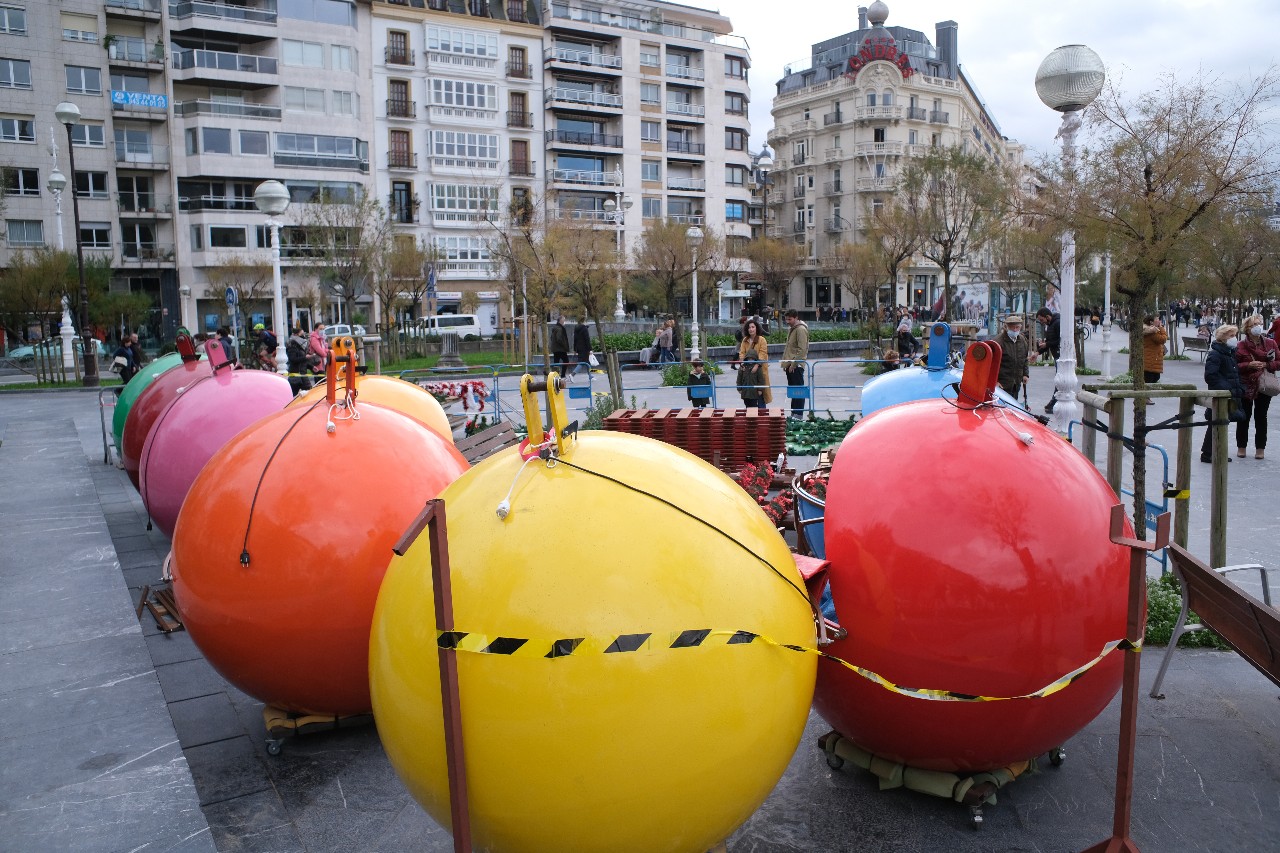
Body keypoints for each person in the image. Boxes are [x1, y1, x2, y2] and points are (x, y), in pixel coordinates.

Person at [1234, 314, 1278, 460]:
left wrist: (1267, 364)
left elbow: (1279, 361)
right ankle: (1241, 447)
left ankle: (1260, 448)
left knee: (1261, 416)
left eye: (1259, 323)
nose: (1258, 326)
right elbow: (1234, 366)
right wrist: (1249, 365)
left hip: (1264, 385)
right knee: (1244, 416)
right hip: (1246, 383)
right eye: (1254, 324)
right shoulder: (1240, 345)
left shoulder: (1270, 343)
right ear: (1247, 328)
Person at [1200, 325, 1245, 463]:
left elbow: (1234, 374)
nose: (1234, 338)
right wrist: (1227, 389)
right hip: (1221, 395)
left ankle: (1212, 452)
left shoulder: (1229, 353)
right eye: (1231, 336)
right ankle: (1208, 453)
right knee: (1216, 422)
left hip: (1227, 395)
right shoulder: (1216, 354)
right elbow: (1211, 376)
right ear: (1223, 337)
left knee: (1219, 423)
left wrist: (1240, 388)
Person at [780, 309, 810, 419]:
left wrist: (793, 364)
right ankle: (794, 413)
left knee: (798, 390)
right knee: (793, 390)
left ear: (796, 318)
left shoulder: (800, 329)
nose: (787, 321)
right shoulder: (793, 329)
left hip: (796, 365)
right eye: (786, 319)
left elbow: (802, 349)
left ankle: (798, 414)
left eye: (790, 319)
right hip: (790, 364)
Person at [736, 318, 771, 410]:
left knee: (760, 393)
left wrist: (757, 365)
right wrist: (742, 363)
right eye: (749, 327)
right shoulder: (745, 340)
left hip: (759, 370)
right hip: (748, 371)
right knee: (749, 395)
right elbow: (742, 352)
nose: (751, 329)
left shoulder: (761, 340)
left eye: (753, 327)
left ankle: (762, 415)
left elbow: (763, 354)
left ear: (756, 328)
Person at [993, 314, 1030, 400]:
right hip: (1002, 384)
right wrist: (995, 381)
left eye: (1017, 327)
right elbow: (991, 364)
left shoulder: (1022, 340)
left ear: (1020, 327)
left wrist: (1025, 374)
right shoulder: (998, 341)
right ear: (1006, 327)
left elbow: (1024, 359)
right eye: (1012, 327)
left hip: (1016, 383)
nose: (1015, 330)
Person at [1035, 307, 1061, 413]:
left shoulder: (1057, 323)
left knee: (1060, 381)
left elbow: (1060, 340)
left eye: (1042, 320)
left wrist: (1047, 344)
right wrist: (1037, 353)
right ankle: (1054, 402)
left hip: (1061, 356)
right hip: (1057, 356)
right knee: (1059, 380)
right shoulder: (1050, 325)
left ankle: (1054, 402)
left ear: (1047, 316)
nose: (1042, 322)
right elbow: (1050, 342)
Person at [1142, 315, 1169, 390]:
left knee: (1155, 377)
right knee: (1150, 379)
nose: (1159, 321)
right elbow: (1163, 339)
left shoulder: (1151, 330)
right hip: (1151, 359)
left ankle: (1146, 397)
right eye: (1157, 319)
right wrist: (1161, 328)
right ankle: (1145, 397)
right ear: (1151, 322)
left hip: (1152, 358)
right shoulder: (1152, 332)